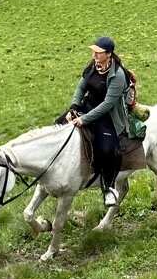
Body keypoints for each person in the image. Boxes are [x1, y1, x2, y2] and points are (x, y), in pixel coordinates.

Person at [61, 36, 147, 205]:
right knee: (59, 125)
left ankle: (108, 188)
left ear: (108, 54)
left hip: (108, 116)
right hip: (88, 106)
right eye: (94, 51)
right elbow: (81, 87)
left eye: (98, 52)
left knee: (107, 148)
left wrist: (84, 119)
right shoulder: (94, 66)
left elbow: (108, 104)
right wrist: (73, 107)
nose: (94, 55)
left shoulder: (118, 75)